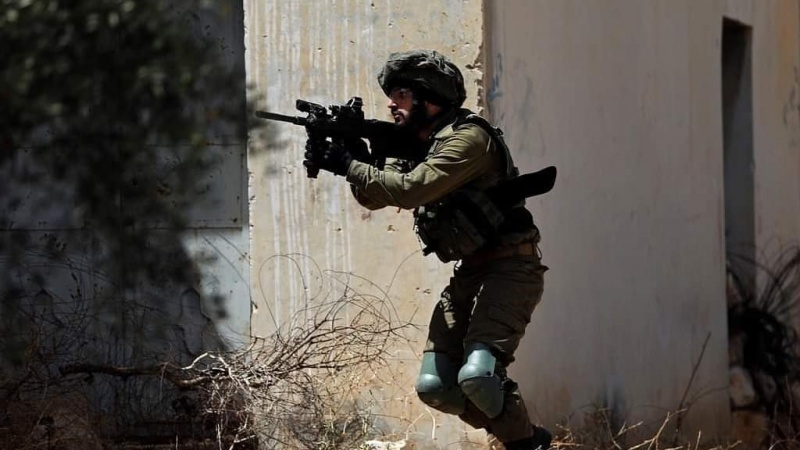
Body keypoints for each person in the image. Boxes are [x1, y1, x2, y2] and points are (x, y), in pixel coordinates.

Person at [303, 50, 553, 450]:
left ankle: (525, 444)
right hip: (470, 272)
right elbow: (375, 197)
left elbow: (410, 191)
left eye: (400, 95)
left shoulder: (468, 139)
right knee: (436, 386)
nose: (391, 104)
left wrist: (349, 164)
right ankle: (524, 437)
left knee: (478, 376)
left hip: (511, 268)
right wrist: (358, 157)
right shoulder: (418, 143)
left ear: (430, 96)